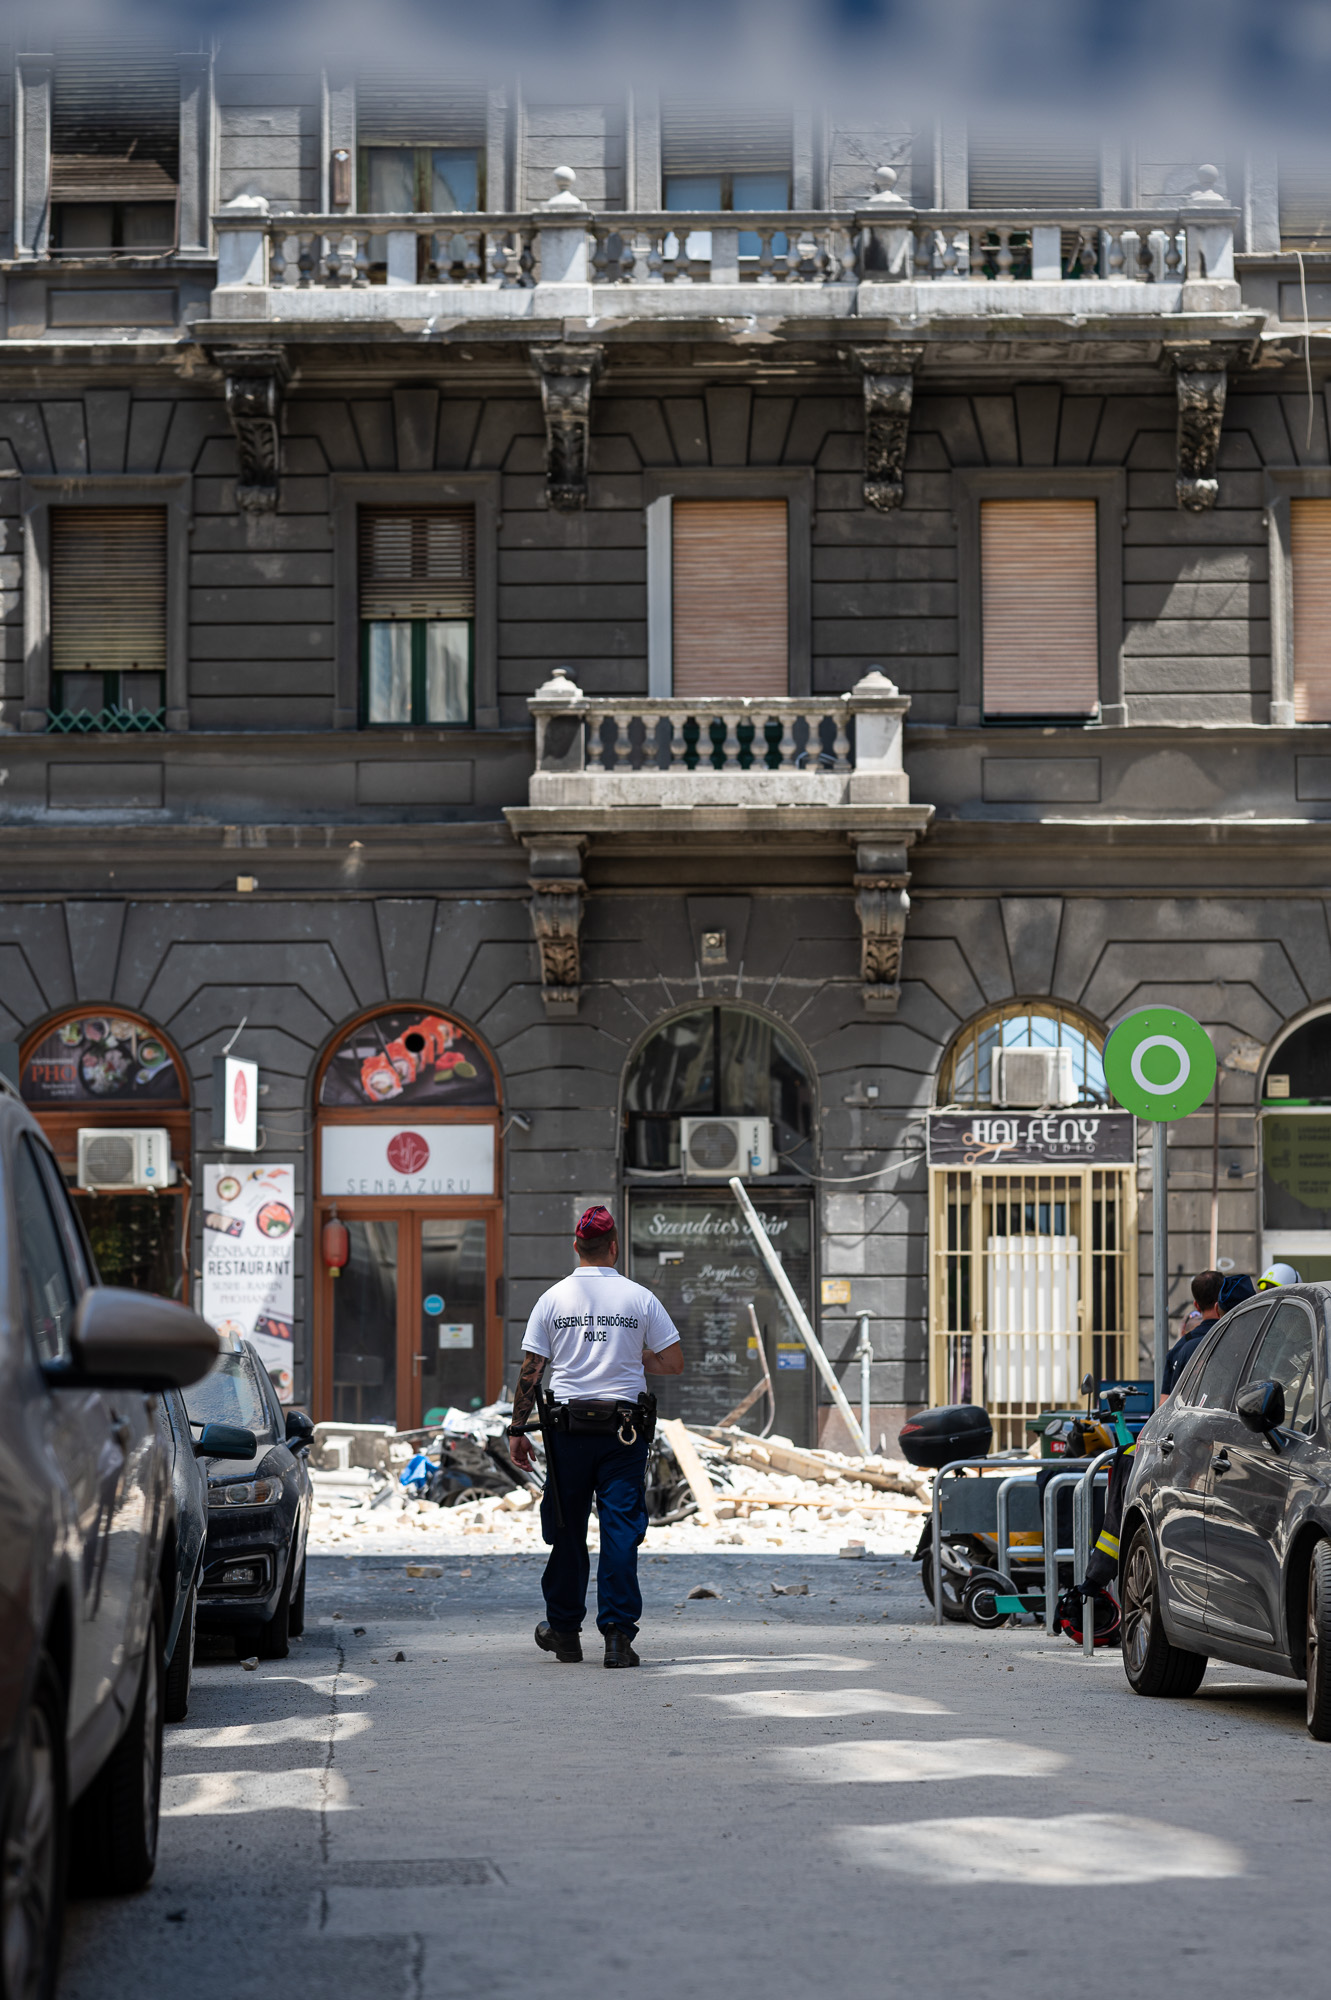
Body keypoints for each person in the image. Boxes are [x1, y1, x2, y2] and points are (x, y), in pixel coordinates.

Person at [507, 1205, 684, 1668]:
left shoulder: (552, 1299)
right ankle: (618, 1638)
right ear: (614, 1247)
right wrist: (635, 1355)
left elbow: (532, 1370)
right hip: (624, 1433)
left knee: (566, 1529)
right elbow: (673, 1362)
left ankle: (565, 1633)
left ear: (576, 1246)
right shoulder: (640, 1298)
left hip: (566, 1433)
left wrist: (518, 1429)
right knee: (620, 1531)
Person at [1162, 1269, 1224, 1395]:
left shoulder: (1179, 1349)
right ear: (1223, 1301)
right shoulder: (1237, 1339)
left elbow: (1164, 1401)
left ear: (1196, 1305)